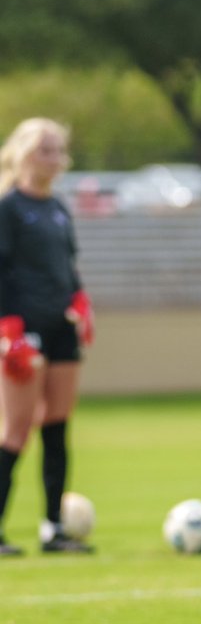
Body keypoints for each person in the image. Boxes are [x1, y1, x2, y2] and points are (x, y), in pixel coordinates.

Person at [0, 118, 96, 556]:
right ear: (22, 152)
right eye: (45, 149)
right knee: (15, 430)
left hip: (61, 330)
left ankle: (53, 529)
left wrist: (80, 301)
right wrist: (9, 331)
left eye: (59, 150)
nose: (55, 158)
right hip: (24, 331)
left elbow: (68, 266)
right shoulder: (8, 206)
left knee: (57, 426)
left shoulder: (57, 207)